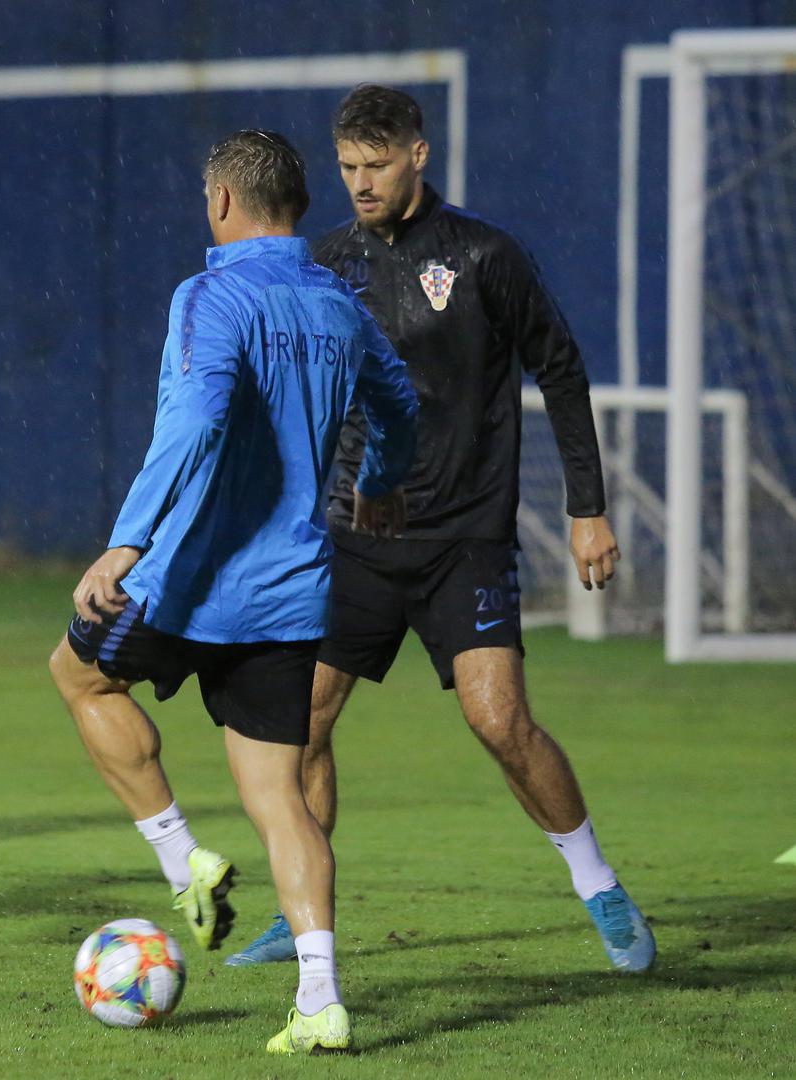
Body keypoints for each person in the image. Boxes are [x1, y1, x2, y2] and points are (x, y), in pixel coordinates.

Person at [226, 84, 655, 973]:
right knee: (299, 721)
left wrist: (586, 509)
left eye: (375, 164)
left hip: (464, 537)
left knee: (499, 723)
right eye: (346, 167)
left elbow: (561, 369)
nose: (360, 183)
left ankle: (598, 885)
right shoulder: (325, 261)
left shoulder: (483, 255)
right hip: (352, 535)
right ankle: (298, 913)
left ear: (418, 154)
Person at [49, 129, 419, 1054]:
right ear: (298, 201)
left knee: (78, 676)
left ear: (222, 201)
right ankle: (321, 1000)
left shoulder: (209, 293)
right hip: (292, 594)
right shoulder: (339, 302)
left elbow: (198, 418)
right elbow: (401, 404)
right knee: (281, 799)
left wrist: (125, 542)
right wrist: (380, 479)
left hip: (188, 580)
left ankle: (184, 859)